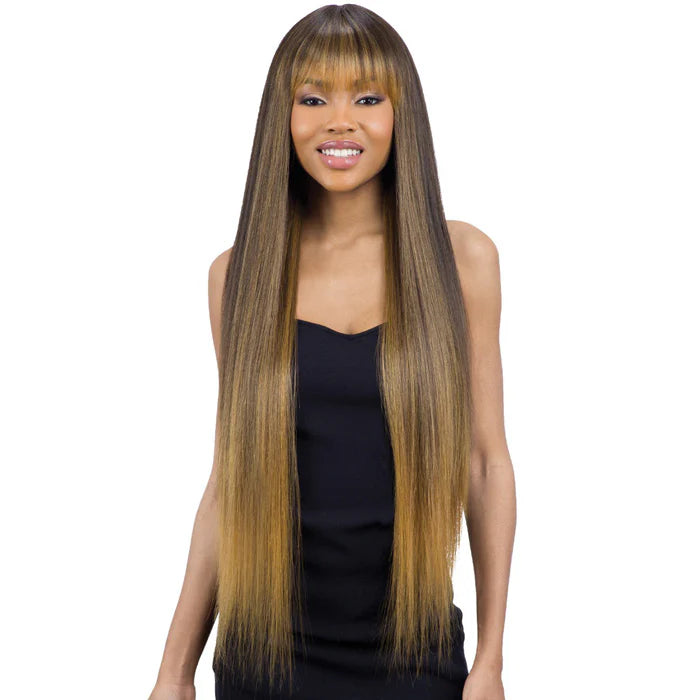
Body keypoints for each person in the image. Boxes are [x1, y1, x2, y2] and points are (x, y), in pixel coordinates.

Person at [149, 5, 515, 700]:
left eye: (367, 99)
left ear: (401, 115)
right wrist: (174, 672)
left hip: (414, 657)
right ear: (282, 118)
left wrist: (490, 661)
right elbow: (231, 481)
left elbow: (484, 461)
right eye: (313, 99)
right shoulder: (238, 276)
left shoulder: (462, 260)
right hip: (264, 661)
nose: (339, 121)